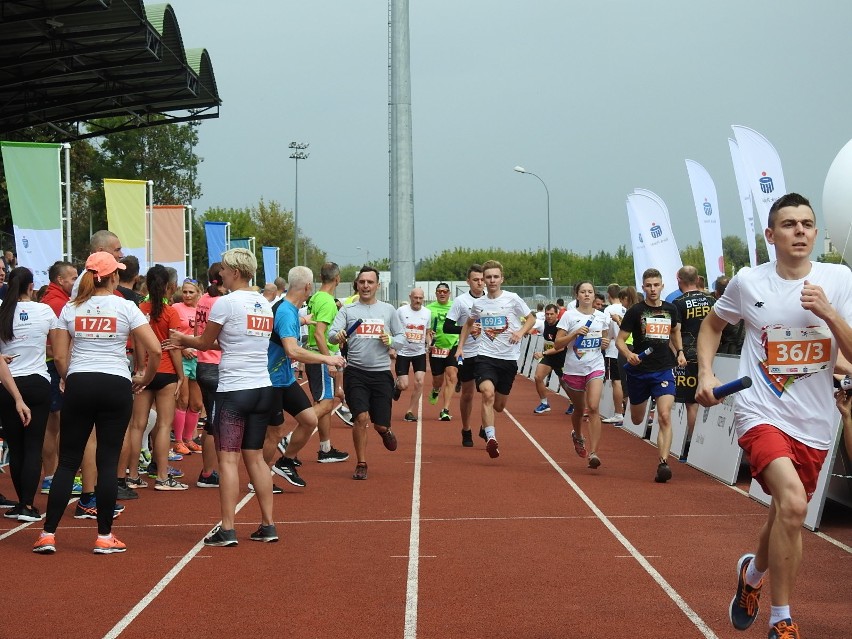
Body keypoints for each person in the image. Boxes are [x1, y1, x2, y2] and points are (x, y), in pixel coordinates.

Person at [695, 193, 852, 639]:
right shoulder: (749, 282)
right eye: (789, 224)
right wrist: (705, 372)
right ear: (771, 235)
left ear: (816, 233)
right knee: (795, 504)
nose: (799, 231)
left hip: (816, 422)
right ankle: (781, 618)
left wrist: (827, 312)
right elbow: (712, 325)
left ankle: (752, 576)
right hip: (759, 411)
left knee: (785, 512)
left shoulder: (839, 280)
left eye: (806, 224)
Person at [34, 252, 161, 554]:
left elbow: (61, 356)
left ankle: (48, 534)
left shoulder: (71, 307)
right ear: (113, 276)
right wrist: (144, 377)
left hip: (80, 382)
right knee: (107, 463)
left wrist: (68, 378)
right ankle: (104, 537)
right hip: (115, 383)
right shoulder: (126, 306)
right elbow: (155, 349)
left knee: (67, 462)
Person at [169, 248, 281, 546]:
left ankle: (228, 528)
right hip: (262, 387)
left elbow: (205, 342)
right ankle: (268, 524)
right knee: (255, 458)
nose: (220, 275)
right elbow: (235, 339)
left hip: (234, 389)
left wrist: (182, 340)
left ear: (234, 272)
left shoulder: (225, 303)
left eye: (224, 271)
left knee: (228, 460)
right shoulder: (264, 304)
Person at [267, 266, 347, 488]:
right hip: (271, 381)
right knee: (273, 432)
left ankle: (286, 461)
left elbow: (283, 326)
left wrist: (305, 321)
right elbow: (292, 350)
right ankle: (261, 478)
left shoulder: (291, 310)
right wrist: (327, 358)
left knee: (309, 419)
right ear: (308, 286)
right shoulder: (284, 311)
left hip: (285, 379)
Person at [329, 266, 406, 480]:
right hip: (356, 373)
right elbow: (331, 336)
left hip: (381, 373)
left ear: (377, 286)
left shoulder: (388, 310)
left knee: (380, 423)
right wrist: (339, 335)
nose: (365, 286)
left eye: (370, 282)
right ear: (357, 285)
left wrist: (390, 341)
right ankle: (361, 462)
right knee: (360, 417)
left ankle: (384, 431)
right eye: (362, 282)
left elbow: (402, 338)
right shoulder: (348, 310)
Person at [457, 260, 536, 458]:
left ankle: (487, 423)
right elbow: (468, 324)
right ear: (483, 280)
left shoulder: (513, 299)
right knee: (487, 393)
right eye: (488, 277)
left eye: (495, 277)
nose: (491, 280)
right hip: (485, 356)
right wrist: (460, 348)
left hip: (508, 359)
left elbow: (532, 318)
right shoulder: (479, 304)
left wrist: (520, 331)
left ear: (502, 279)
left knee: (499, 406)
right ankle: (491, 438)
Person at [615, 268, 686, 483]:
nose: (653, 289)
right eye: (649, 285)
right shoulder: (635, 311)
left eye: (656, 285)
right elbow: (620, 340)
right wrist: (629, 354)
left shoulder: (671, 309)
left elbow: (675, 332)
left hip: (663, 369)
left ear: (662, 286)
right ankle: (636, 407)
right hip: (639, 371)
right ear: (643, 287)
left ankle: (663, 462)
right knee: (637, 419)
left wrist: (680, 352)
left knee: (664, 415)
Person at [125, 265, 186, 492]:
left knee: (137, 425)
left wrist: (141, 369)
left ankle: (132, 475)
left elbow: (138, 344)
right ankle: (162, 477)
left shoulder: (139, 309)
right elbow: (175, 348)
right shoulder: (171, 312)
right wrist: (181, 376)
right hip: (167, 372)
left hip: (145, 372)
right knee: (163, 425)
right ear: (169, 286)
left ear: (146, 285)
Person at [0, 267, 50, 522]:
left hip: (8, 386)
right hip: (37, 382)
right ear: (32, 287)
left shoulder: (2, 311)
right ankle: (28, 505)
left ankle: (22, 504)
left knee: (17, 448)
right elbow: (58, 345)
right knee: (33, 447)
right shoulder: (44, 311)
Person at [553, 281, 612, 468]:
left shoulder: (602, 317)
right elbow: (557, 344)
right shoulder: (569, 316)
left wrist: (605, 343)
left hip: (595, 366)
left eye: (590, 292)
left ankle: (593, 453)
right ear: (577, 295)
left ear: (595, 296)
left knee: (593, 407)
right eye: (583, 292)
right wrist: (574, 334)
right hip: (573, 368)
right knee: (579, 409)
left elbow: (605, 339)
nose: (587, 295)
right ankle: (577, 435)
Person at [304, 262, 352, 458]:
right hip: (321, 354)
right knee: (325, 403)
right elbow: (319, 334)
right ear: (337, 278)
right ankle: (289, 440)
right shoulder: (326, 301)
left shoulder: (316, 297)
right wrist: (328, 360)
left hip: (316, 354)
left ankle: (325, 449)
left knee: (324, 403)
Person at [38, 260, 78, 496]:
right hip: (55, 368)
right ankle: (52, 476)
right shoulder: (57, 303)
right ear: (60, 280)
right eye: (72, 278)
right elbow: (52, 345)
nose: (76, 281)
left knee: (56, 425)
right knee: (56, 425)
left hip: (54, 367)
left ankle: (53, 475)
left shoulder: (57, 301)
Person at [670, 265, 715, 460]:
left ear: (678, 279)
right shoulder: (712, 299)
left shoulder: (678, 303)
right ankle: (711, 446)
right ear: (698, 279)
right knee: (713, 400)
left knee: (692, 403)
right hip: (714, 355)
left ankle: (691, 445)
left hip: (689, 356)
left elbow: (675, 331)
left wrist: (677, 352)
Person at [445, 264, 485, 446]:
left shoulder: (494, 300)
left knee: (488, 391)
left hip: (487, 352)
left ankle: (486, 426)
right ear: (468, 281)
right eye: (475, 280)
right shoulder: (461, 302)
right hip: (467, 352)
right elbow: (447, 327)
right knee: (468, 394)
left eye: (482, 279)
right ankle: (466, 429)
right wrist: (467, 328)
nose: (480, 283)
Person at [193, 263, 225, 489]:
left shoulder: (203, 299)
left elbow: (197, 333)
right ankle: (207, 473)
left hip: (203, 363)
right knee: (215, 424)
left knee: (212, 423)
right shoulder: (220, 302)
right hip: (216, 365)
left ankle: (210, 471)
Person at [171, 278, 204, 456]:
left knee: (197, 403)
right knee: (182, 401)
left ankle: (189, 439)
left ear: (198, 293)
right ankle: (178, 441)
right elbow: (171, 334)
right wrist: (183, 348)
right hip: (182, 358)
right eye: (185, 291)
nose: (187, 295)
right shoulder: (176, 308)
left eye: (191, 292)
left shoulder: (203, 310)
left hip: (199, 358)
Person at [395, 287, 432, 423]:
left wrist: (429, 343)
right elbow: (394, 329)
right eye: (415, 298)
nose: (418, 300)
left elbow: (427, 332)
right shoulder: (401, 311)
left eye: (420, 298)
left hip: (419, 352)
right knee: (404, 385)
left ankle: (409, 411)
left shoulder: (427, 313)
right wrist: (392, 347)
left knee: (420, 381)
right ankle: (397, 385)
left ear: (423, 298)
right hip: (403, 352)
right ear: (410, 297)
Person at [426, 282, 459, 421]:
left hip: (453, 345)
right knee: (437, 380)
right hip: (436, 347)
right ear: (436, 293)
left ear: (449, 293)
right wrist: (428, 336)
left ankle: (445, 409)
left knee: (452, 376)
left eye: (445, 291)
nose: (442, 293)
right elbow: (426, 329)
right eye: (439, 291)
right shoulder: (429, 309)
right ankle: (435, 390)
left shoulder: (455, 307)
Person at [532, 304, 567, 414]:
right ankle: (544, 403)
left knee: (565, 384)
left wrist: (543, 353)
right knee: (538, 377)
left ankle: (574, 403)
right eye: (547, 314)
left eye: (552, 314)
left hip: (561, 358)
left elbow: (560, 347)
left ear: (557, 314)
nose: (549, 316)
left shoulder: (560, 327)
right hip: (549, 358)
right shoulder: (545, 324)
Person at [602, 283, 626, 424]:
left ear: (608, 295)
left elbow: (607, 331)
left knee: (616, 382)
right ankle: (625, 411)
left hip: (613, 349)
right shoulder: (626, 308)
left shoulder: (608, 310)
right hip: (627, 348)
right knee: (626, 381)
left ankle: (618, 413)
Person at [714, 276, 745, 355]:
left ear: (716, 293)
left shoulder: (719, 312)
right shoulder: (745, 307)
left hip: (726, 355)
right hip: (745, 352)